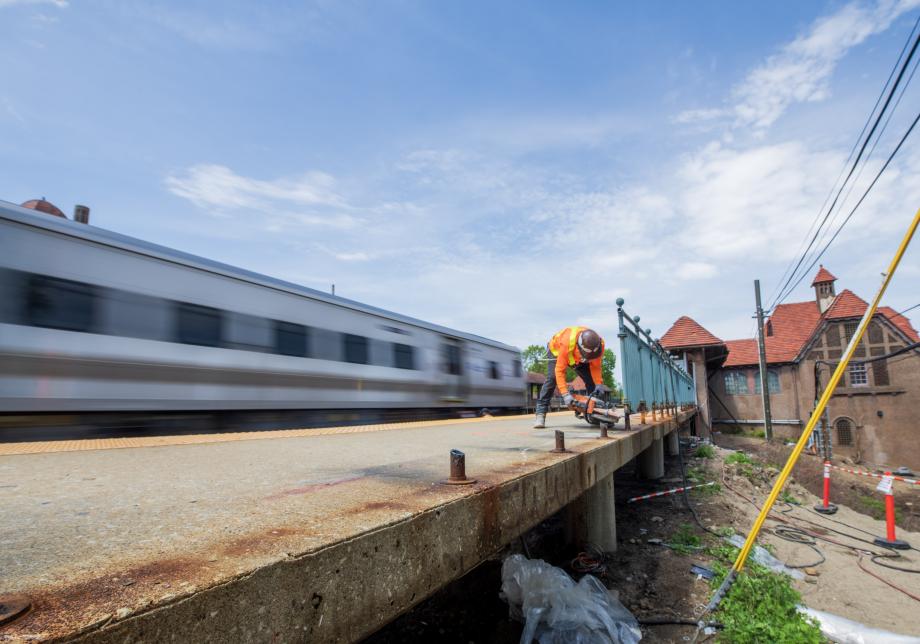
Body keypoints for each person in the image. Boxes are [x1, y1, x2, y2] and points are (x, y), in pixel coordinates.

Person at [533, 326, 606, 429]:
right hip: (557, 352)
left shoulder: (599, 345)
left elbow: (596, 366)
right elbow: (559, 371)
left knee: (593, 383)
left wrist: (598, 383)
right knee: (552, 378)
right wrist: (565, 394)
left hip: (579, 356)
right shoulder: (566, 342)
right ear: (579, 347)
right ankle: (540, 414)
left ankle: (595, 413)